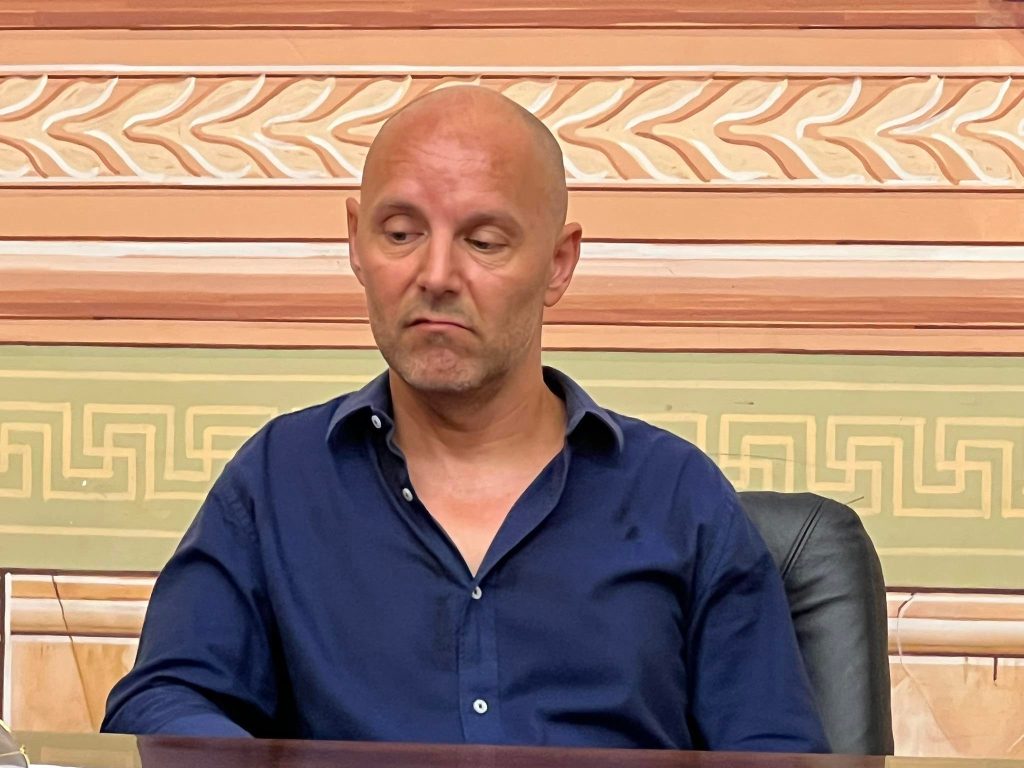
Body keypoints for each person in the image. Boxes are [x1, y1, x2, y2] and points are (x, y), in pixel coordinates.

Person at [102, 86, 829, 752]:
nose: (437, 275)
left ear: (558, 263)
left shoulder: (676, 495)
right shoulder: (278, 480)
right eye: (400, 234)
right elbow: (164, 700)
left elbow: (775, 748)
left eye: (483, 242)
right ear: (355, 241)